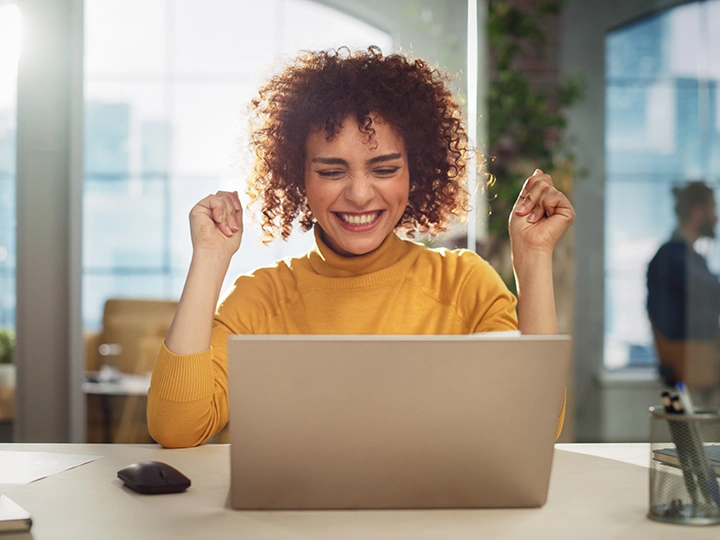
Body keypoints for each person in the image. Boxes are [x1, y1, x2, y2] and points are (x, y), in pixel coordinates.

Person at [147, 47, 575, 448]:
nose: (359, 194)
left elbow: (532, 424)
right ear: (300, 178)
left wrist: (533, 260)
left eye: (384, 169)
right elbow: (176, 429)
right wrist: (209, 258)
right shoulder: (262, 298)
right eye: (332, 171)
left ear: (415, 172)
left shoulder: (463, 283)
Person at [647, 181, 720, 386]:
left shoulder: (689, 258)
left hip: (699, 355)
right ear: (697, 212)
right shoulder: (672, 257)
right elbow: (714, 292)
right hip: (691, 357)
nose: (715, 218)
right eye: (712, 209)